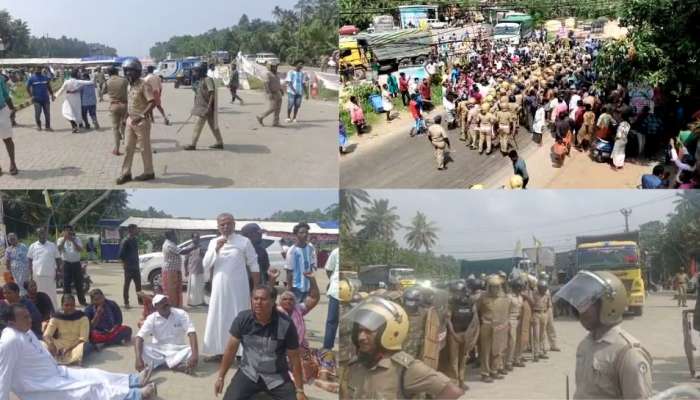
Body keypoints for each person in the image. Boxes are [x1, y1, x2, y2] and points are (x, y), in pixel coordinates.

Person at [0, 303, 157, 400]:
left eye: (29, 316)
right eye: (25, 318)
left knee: (94, 374)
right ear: (12, 322)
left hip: (57, 372)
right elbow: (3, 376)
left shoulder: (24, 331)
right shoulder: (10, 340)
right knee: (89, 389)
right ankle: (135, 396)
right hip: (42, 386)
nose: (30, 320)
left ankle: (133, 381)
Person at [554, 271, 653, 399]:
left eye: (585, 303)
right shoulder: (585, 345)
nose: (579, 310)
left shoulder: (628, 354)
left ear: (609, 305)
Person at [346, 297, 464, 399]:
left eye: (368, 331)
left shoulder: (405, 368)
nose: (361, 337)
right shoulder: (356, 366)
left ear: (390, 332)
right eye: (359, 331)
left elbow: (452, 391)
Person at [214, 285, 307, 399]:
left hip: (276, 377)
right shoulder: (243, 319)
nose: (258, 302)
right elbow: (230, 350)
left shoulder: (285, 324)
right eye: (255, 298)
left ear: (273, 301)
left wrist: (300, 390)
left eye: (263, 299)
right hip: (249, 373)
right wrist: (221, 377)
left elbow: (294, 358)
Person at [202, 213, 260, 360]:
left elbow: (254, 265)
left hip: (239, 288)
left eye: (229, 223)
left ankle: (241, 354)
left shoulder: (244, 241)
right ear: (218, 226)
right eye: (222, 224)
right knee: (219, 316)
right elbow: (206, 264)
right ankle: (219, 352)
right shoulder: (213, 242)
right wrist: (216, 249)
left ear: (234, 225)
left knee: (240, 317)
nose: (226, 226)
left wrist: (256, 288)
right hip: (219, 288)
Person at [135, 294, 198, 374]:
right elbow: (139, 337)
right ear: (156, 307)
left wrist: (195, 355)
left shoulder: (181, 314)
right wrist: (138, 358)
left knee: (191, 350)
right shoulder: (151, 318)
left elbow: (191, 332)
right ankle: (175, 365)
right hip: (159, 350)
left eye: (165, 301)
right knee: (142, 349)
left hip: (178, 349)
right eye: (161, 303)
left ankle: (161, 364)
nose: (165, 304)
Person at [276, 270, 320, 383]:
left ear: (295, 302)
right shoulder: (275, 312)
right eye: (284, 299)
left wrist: (312, 280)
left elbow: (314, 298)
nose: (288, 301)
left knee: (310, 371)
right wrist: (272, 280)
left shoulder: (298, 309)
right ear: (279, 301)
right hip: (280, 350)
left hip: (298, 347)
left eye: (291, 299)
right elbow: (265, 296)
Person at [117, 58, 156, 185]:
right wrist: (125, 117)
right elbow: (131, 103)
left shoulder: (144, 85)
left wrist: (141, 115)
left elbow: (152, 102)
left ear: (138, 72)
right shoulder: (129, 86)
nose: (128, 73)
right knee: (128, 147)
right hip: (130, 120)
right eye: (126, 71)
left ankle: (149, 172)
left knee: (144, 148)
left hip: (142, 122)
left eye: (131, 71)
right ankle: (126, 173)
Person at [476, 275, 510, 382]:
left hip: (500, 327)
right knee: (486, 351)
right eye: (492, 287)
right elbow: (476, 311)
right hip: (486, 326)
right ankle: (485, 373)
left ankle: (494, 370)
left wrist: (505, 324)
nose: (494, 289)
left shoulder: (504, 297)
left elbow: (506, 312)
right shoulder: (483, 297)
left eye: (496, 287)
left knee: (497, 350)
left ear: (499, 287)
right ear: (488, 287)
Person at [43, 294, 92, 366]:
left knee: (86, 346)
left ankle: (69, 358)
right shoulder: (56, 317)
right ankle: (61, 356)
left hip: (76, 344)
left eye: (72, 305)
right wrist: (51, 344)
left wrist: (68, 349)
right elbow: (47, 335)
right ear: (62, 305)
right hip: (60, 344)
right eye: (66, 305)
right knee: (42, 344)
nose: (69, 308)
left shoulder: (82, 317)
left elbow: (83, 339)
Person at [186, 62, 223, 151]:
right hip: (204, 107)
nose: (194, 73)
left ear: (201, 71)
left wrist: (208, 107)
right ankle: (220, 142)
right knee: (213, 126)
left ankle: (193, 144)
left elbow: (212, 93)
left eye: (196, 71)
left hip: (205, 108)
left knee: (198, 126)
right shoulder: (202, 80)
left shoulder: (207, 80)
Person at [27, 226, 60, 310]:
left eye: (43, 232)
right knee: (38, 293)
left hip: (50, 275)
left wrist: (59, 272)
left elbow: (58, 260)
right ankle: (40, 310)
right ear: (37, 234)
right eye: (39, 232)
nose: (41, 234)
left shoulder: (52, 245)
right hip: (36, 275)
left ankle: (54, 310)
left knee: (51, 294)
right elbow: (30, 261)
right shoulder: (33, 246)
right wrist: (30, 275)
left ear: (46, 234)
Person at [285, 222, 317, 303]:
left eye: (306, 232)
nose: (305, 234)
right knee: (294, 311)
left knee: (303, 310)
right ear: (296, 234)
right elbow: (289, 271)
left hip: (308, 287)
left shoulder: (310, 248)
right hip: (296, 287)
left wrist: (312, 284)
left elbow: (311, 266)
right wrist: (289, 289)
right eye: (302, 232)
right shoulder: (292, 250)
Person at [57, 225, 86, 306]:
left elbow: (80, 249)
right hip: (66, 263)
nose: (68, 233)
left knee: (79, 283)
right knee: (66, 284)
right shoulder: (60, 240)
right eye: (66, 231)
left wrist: (73, 241)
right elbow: (58, 249)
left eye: (70, 231)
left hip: (76, 263)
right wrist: (64, 240)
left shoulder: (77, 239)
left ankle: (82, 301)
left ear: (72, 231)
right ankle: (67, 302)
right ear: (63, 232)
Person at [106, 66, 129, 155]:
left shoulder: (107, 82)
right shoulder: (124, 80)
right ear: (117, 72)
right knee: (124, 125)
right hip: (124, 106)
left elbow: (103, 91)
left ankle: (117, 149)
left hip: (114, 106)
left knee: (115, 128)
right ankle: (126, 144)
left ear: (109, 73)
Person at [118, 224, 142, 309]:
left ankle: (141, 301)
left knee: (138, 285)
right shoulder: (126, 241)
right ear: (131, 230)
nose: (137, 231)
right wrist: (125, 263)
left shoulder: (134, 239)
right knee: (127, 285)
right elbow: (121, 254)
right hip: (129, 267)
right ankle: (126, 302)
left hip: (136, 266)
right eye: (136, 229)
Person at [26, 67, 55, 131]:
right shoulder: (31, 78)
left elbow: (49, 87)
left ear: (41, 70)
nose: (38, 70)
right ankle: (39, 126)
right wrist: (31, 96)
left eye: (39, 69)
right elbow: (27, 87)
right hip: (36, 100)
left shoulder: (45, 78)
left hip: (46, 99)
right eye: (37, 69)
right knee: (38, 113)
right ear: (34, 70)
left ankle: (48, 127)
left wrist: (52, 95)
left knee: (47, 113)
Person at [0, 72, 18, 175]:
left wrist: (12, 108)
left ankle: (13, 163)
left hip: (2, 111)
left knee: (7, 139)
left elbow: (5, 94)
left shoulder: (0, 78)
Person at [322, 247, 340, 353]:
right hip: (336, 291)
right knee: (332, 321)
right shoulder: (336, 251)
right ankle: (327, 347)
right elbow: (329, 269)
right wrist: (333, 281)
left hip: (351, 291)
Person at [257, 60, 284, 127]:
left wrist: (281, 89)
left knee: (278, 108)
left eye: (275, 66)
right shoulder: (268, 74)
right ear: (270, 67)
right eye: (273, 66)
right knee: (273, 108)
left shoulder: (276, 74)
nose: (275, 68)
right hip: (272, 92)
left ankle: (276, 122)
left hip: (278, 92)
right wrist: (269, 93)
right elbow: (265, 84)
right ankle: (261, 116)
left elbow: (277, 82)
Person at [182, 233, 205, 307]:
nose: (197, 239)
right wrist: (186, 270)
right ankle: (192, 303)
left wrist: (202, 253)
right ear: (192, 238)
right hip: (193, 270)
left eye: (198, 237)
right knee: (193, 288)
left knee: (200, 287)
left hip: (200, 269)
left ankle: (201, 301)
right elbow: (185, 260)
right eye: (195, 237)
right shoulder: (189, 247)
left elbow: (204, 257)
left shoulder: (201, 247)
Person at [161, 230, 183, 308]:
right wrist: (193, 246)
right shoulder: (169, 245)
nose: (176, 236)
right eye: (175, 235)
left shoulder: (171, 243)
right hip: (171, 270)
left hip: (173, 270)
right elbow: (182, 251)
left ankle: (175, 305)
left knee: (174, 289)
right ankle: (172, 306)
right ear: (171, 236)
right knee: (171, 290)